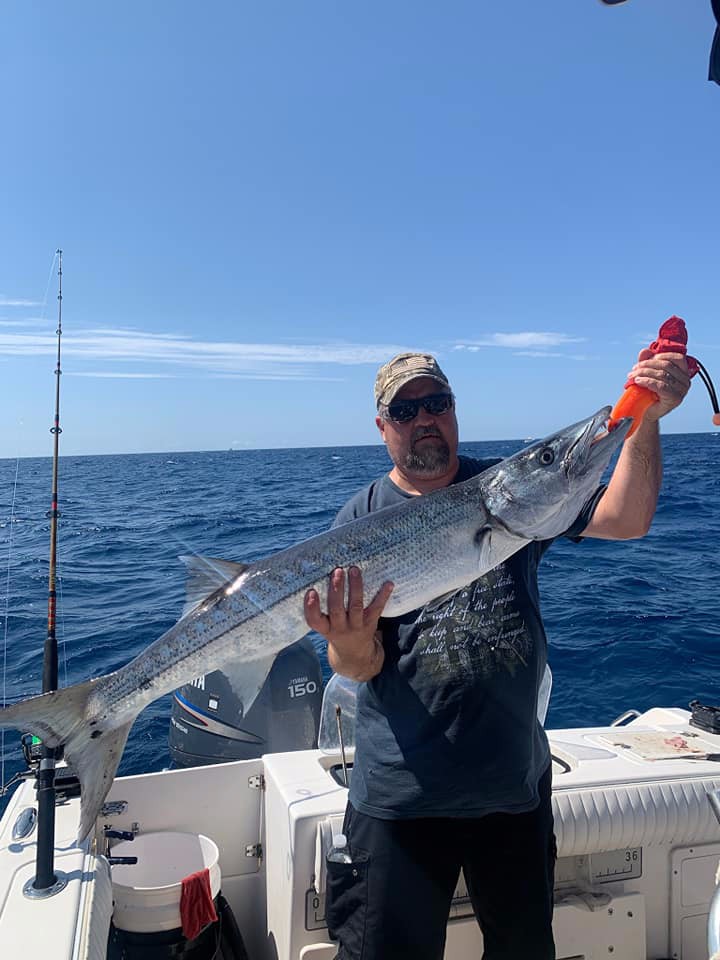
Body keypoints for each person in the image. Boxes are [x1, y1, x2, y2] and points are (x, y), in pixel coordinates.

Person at [304, 349, 690, 960]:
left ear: (455, 411)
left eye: (437, 404)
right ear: (383, 428)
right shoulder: (362, 516)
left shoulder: (513, 494)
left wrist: (646, 418)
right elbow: (356, 667)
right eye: (406, 409)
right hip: (401, 800)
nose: (424, 418)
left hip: (512, 788)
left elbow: (628, 517)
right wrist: (348, 643)